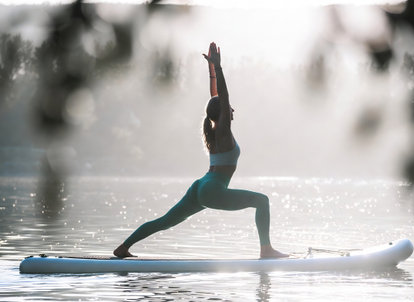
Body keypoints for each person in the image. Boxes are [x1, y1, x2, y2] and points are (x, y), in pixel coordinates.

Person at [114, 42, 287, 259]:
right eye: (229, 107)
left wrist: (212, 71)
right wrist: (219, 68)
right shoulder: (222, 131)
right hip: (212, 189)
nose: (233, 109)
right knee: (261, 201)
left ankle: (124, 247)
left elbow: (216, 99)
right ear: (223, 112)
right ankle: (266, 250)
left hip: (201, 186)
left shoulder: (214, 128)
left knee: (165, 222)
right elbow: (222, 99)